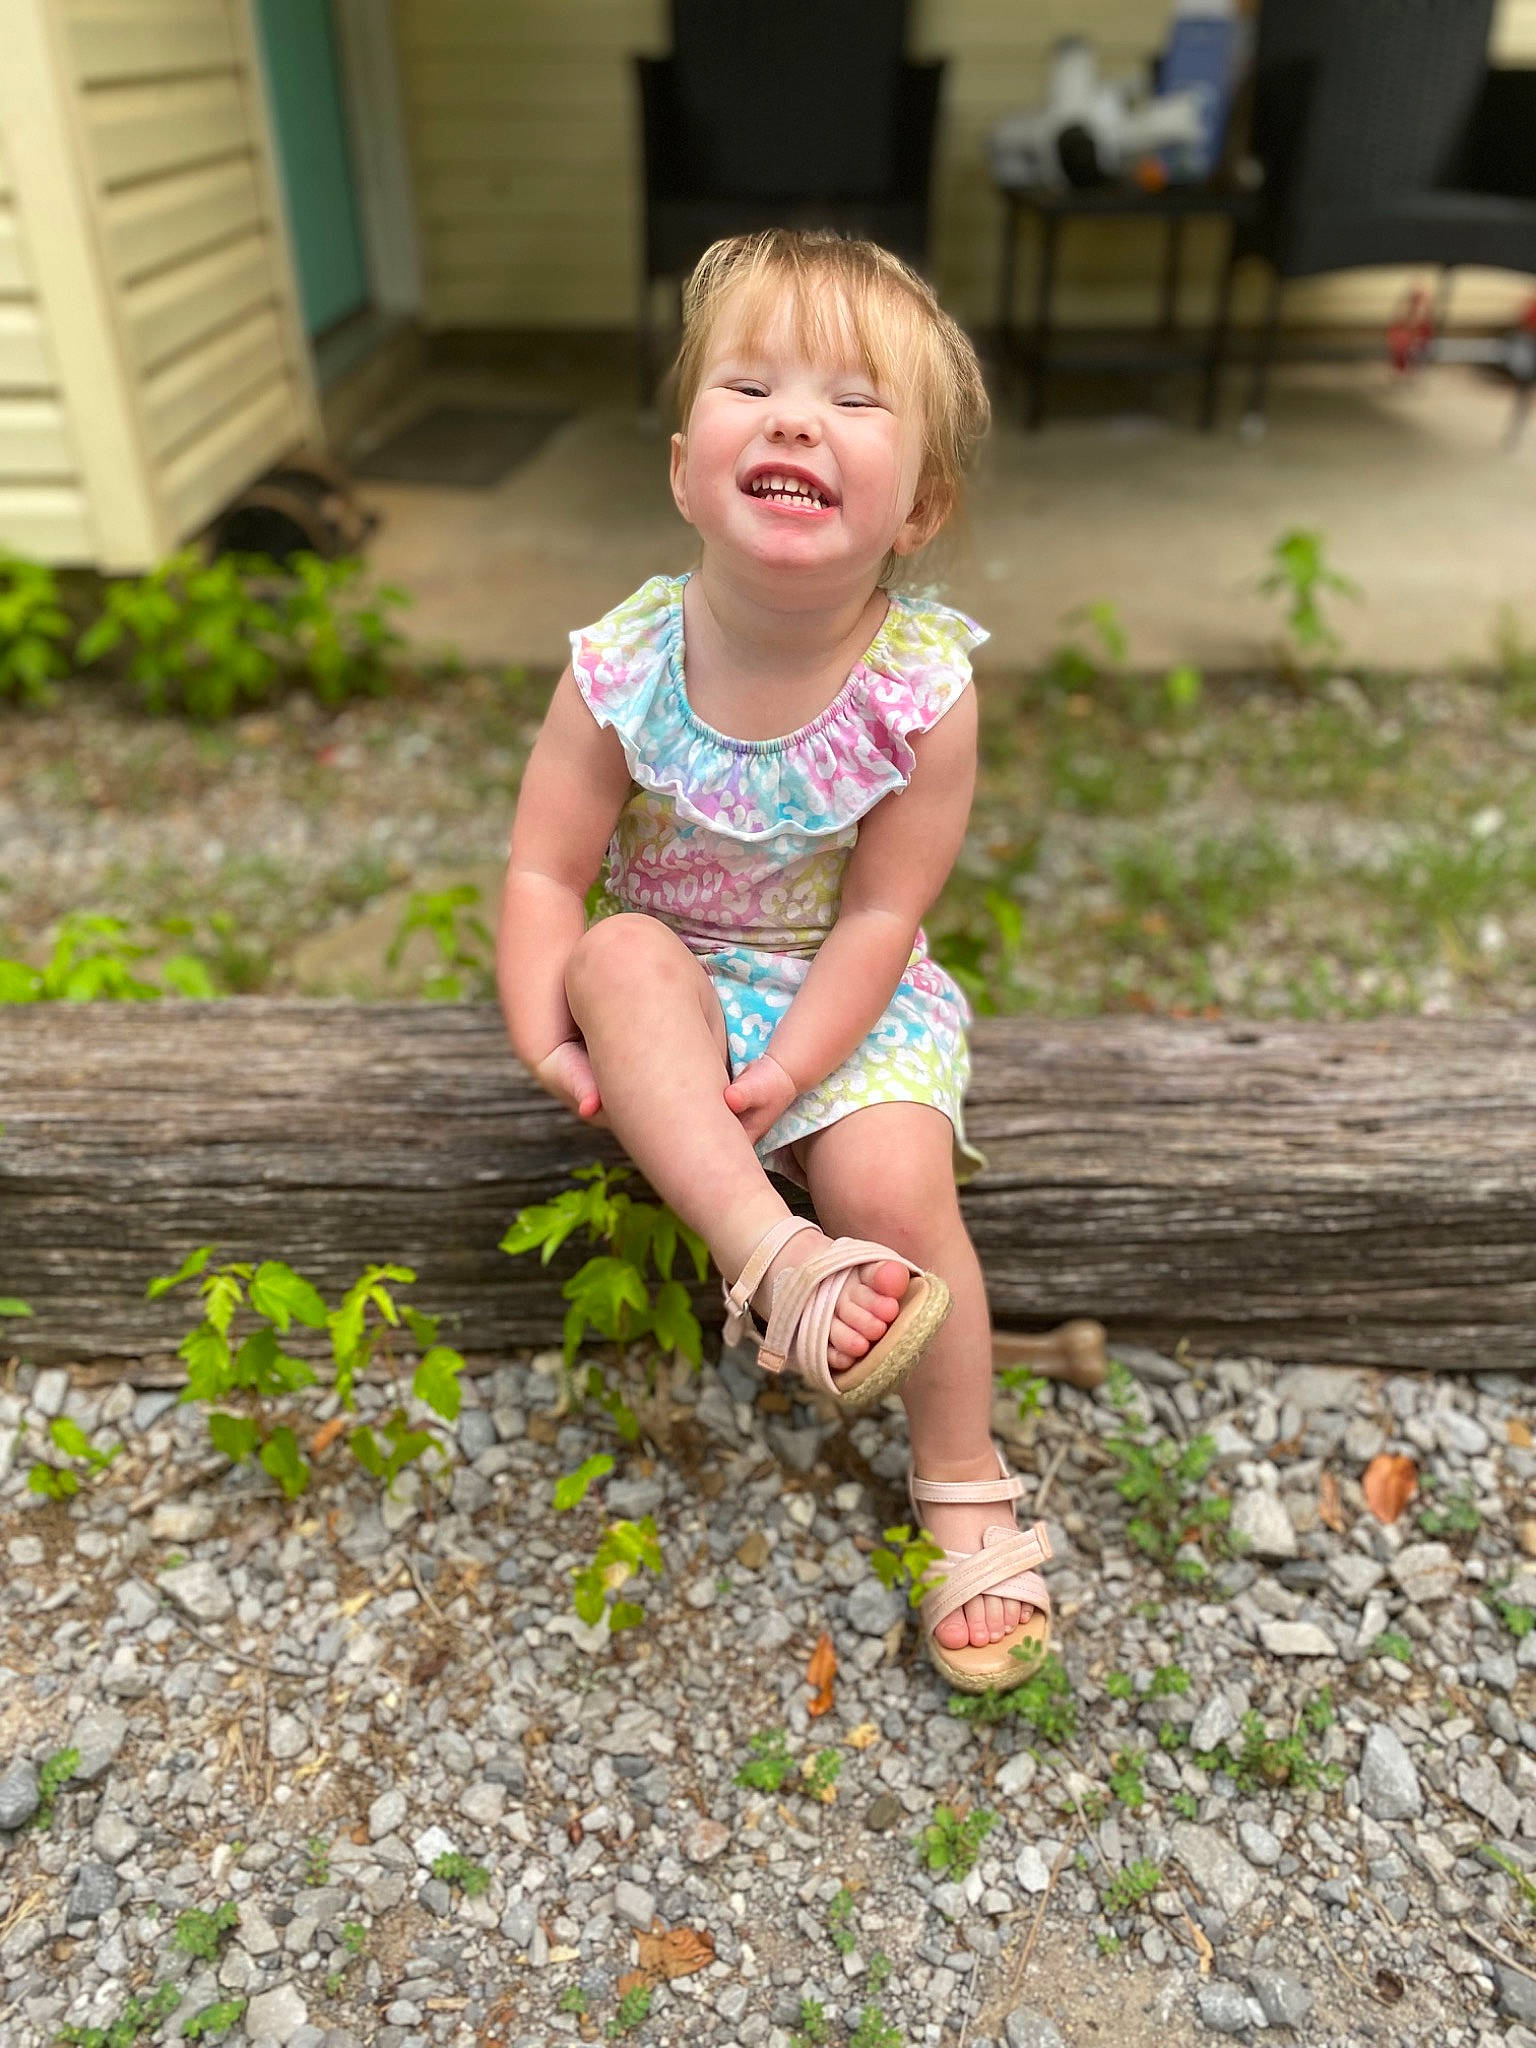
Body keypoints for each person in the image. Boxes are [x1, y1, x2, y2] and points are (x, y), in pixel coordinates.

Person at [497, 228, 1051, 1692]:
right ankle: (774, 1255)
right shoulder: (623, 664)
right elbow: (547, 869)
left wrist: (801, 1064)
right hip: (675, 985)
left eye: (854, 401)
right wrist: (547, 1032)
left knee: (895, 1191)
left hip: (841, 992)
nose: (796, 421)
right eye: (752, 387)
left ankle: (959, 1469)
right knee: (617, 951)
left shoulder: (919, 690)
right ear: (689, 470)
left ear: (916, 505)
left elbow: (879, 914)